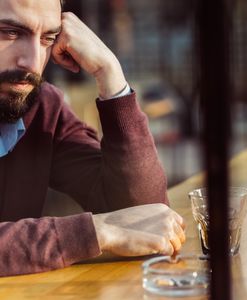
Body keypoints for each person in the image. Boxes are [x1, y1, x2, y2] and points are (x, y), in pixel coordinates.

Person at [0, 0, 186, 277]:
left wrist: (110, 74)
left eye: (48, 39)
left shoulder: (43, 106)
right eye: (10, 32)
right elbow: (115, 228)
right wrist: (94, 232)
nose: (32, 62)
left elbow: (144, 216)